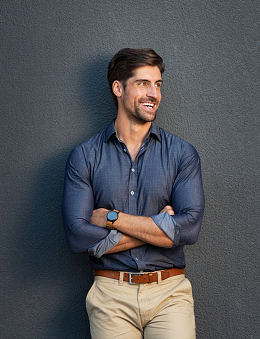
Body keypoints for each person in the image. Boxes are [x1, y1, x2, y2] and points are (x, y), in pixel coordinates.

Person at [62, 48, 205, 339]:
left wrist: (112, 219)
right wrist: (160, 226)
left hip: (170, 294)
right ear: (118, 88)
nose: (154, 93)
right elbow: (78, 237)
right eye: (143, 83)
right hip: (110, 296)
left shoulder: (182, 154)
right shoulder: (85, 156)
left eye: (158, 84)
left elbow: (189, 229)